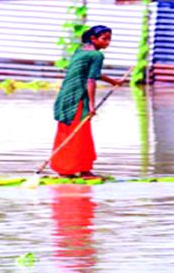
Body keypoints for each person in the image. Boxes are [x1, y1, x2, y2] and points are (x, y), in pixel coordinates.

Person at [51, 25, 124, 179]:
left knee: (68, 131)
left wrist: (112, 81)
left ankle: (73, 169)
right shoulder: (96, 55)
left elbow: (91, 73)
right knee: (80, 132)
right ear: (93, 39)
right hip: (78, 96)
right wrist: (91, 105)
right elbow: (90, 80)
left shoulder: (80, 50)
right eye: (104, 39)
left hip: (65, 95)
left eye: (109, 39)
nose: (108, 43)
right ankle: (77, 170)